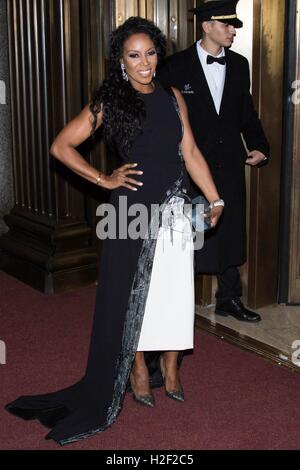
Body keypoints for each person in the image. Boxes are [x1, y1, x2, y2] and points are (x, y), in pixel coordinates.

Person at [5, 17, 223, 445]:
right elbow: (61, 145)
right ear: (121, 61)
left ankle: (173, 366)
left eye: (151, 53)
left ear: (159, 53)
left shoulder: (174, 96)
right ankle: (138, 368)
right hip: (133, 214)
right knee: (133, 296)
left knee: (175, 292)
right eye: (134, 56)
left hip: (177, 210)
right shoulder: (112, 100)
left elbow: (190, 151)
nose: (145, 63)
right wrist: (103, 179)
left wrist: (214, 199)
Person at [158, 0, 270, 323]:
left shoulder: (239, 65)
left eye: (234, 25)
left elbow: (245, 112)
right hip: (190, 165)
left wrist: (260, 146)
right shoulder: (174, 66)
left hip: (230, 161)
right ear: (206, 26)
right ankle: (177, 305)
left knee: (230, 228)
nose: (233, 30)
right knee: (188, 234)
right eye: (227, 25)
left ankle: (229, 298)